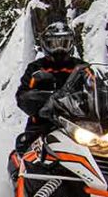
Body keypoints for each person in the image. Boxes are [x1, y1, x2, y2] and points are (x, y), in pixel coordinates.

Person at [14, 22, 85, 153]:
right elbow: (22, 95)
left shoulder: (81, 67)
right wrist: (37, 99)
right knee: (28, 151)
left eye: (64, 44)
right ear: (46, 45)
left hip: (79, 122)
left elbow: (95, 86)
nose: (60, 49)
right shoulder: (36, 68)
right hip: (44, 122)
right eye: (54, 44)